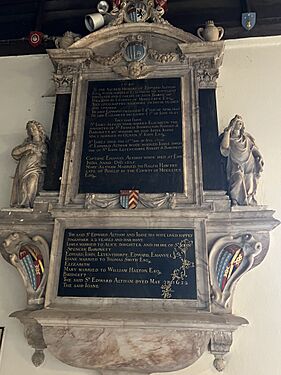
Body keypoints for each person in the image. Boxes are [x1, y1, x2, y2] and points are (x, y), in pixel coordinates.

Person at [220, 115, 264, 206]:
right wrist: (228, 130)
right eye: (237, 122)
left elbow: (254, 149)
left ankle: (248, 200)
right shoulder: (229, 138)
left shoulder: (246, 138)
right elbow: (224, 148)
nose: (239, 124)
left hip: (249, 162)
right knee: (238, 179)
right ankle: (235, 200)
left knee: (249, 180)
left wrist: (259, 157)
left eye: (240, 122)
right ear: (233, 124)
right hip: (235, 163)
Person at [10, 120, 49, 208]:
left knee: (32, 181)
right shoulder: (27, 144)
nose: (32, 130)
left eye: (33, 128)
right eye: (29, 129)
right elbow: (14, 153)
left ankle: (29, 203)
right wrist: (28, 147)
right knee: (22, 185)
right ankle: (23, 203)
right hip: (23, 168)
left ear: (39, 130)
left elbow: (46, 160)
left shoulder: (44, 145)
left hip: (35, 169)